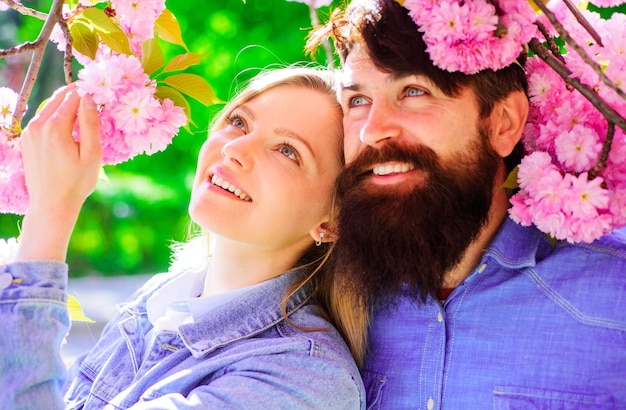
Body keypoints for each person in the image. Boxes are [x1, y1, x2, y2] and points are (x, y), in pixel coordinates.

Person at [308, 0, 626, 408]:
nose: (373, 131)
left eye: (414, 91)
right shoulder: (318, 294)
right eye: (357, 101)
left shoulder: (615, 291)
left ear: (502, 123)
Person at [0, 66, 365, 409]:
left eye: (288, 151)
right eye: (239, 122)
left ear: (332, 221)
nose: (234, 149)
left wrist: (52, 212)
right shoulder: (159, 302)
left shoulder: (304, 378)